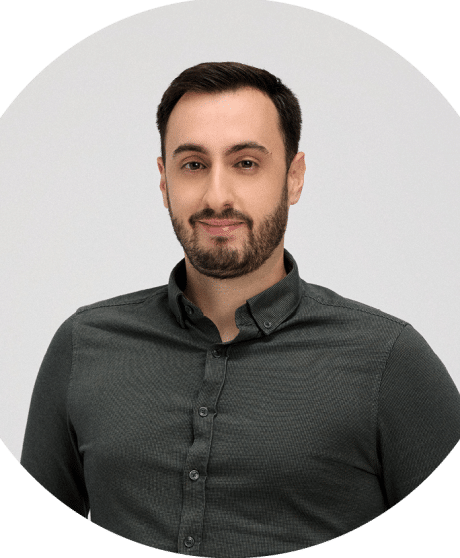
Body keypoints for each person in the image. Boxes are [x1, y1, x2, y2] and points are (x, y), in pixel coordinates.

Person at [21, 62, 460, 558]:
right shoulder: (83, 345)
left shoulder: (388, 360)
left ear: (293, 178)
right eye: (193, 165)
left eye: (246, 163)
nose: (217, 197)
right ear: (164, 181)